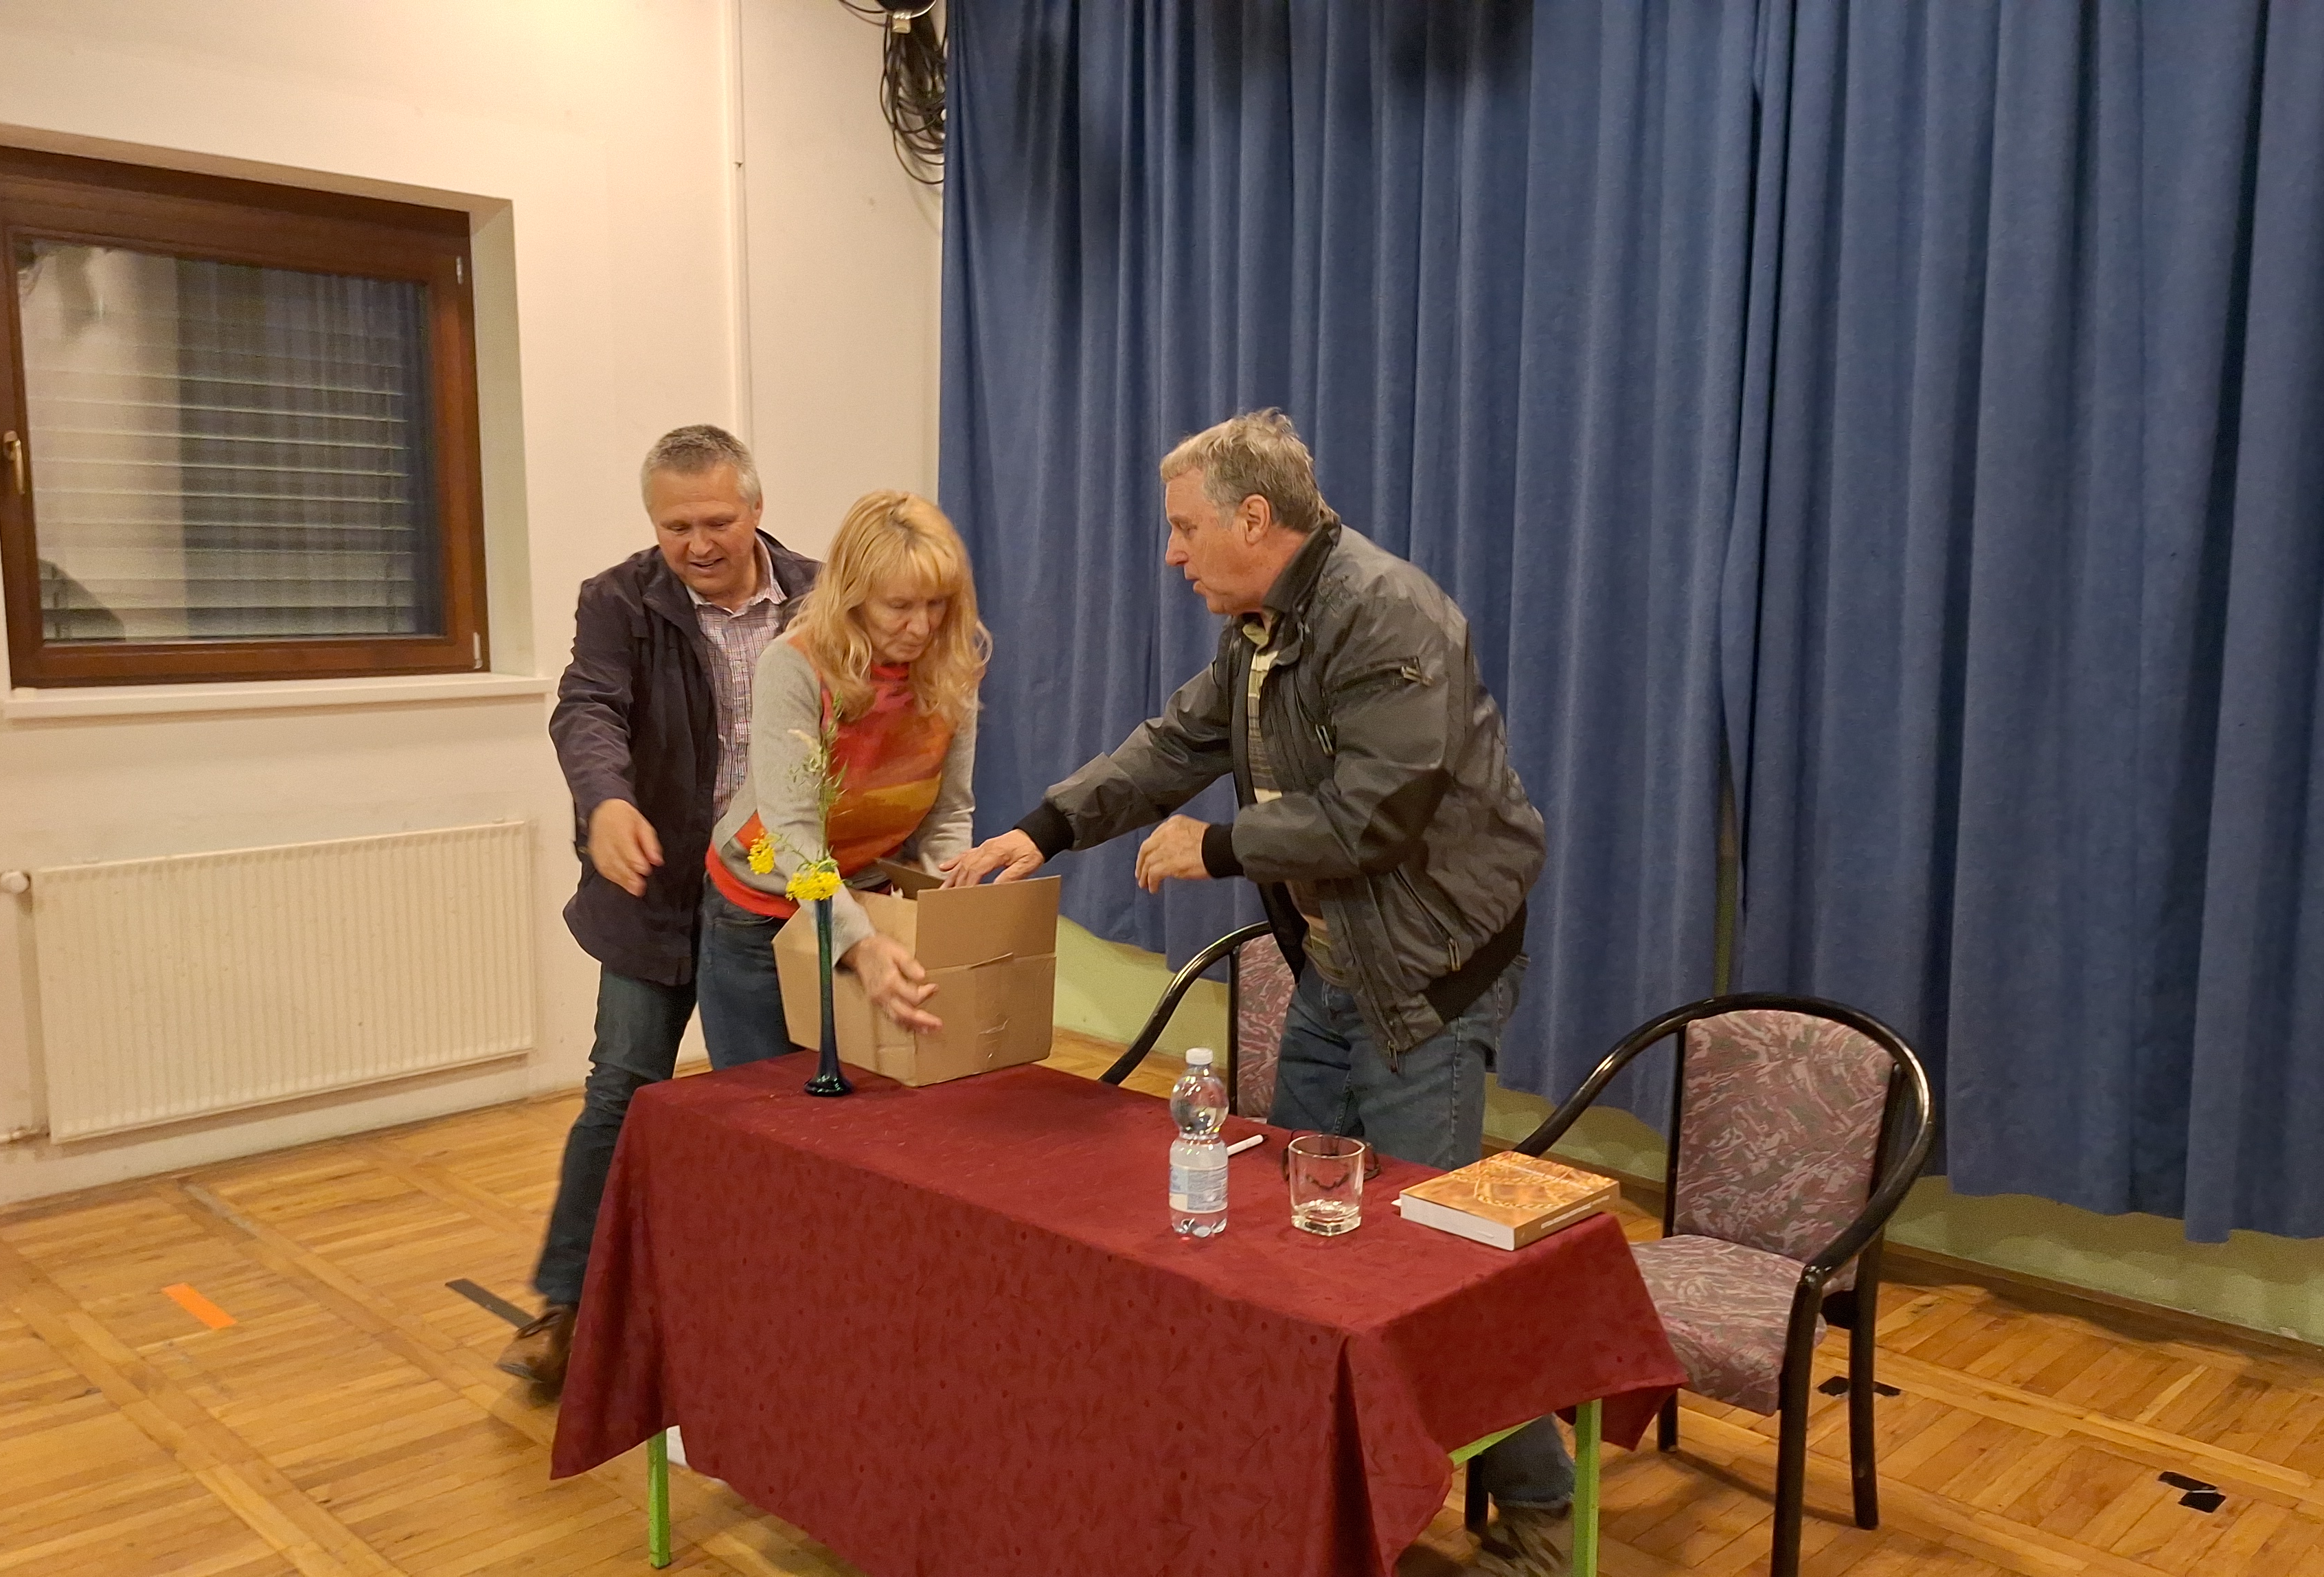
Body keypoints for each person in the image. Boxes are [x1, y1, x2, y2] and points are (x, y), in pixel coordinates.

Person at [946, 410, 1573, 1574]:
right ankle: (1313, 1488)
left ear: (1252, 518)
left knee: (1426, 1268)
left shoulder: (1388, 614)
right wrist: (1045, 829)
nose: (1172, 553)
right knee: (1297, 1244)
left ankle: (1540, 1507)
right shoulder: (1263, 629)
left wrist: (1219, 847)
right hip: (1338, 969)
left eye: (1186, 528)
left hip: (1428, 981)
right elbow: (1172, 746)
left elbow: (1378, 813)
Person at [500, 425, 821, 1392]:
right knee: (622, 1089)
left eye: (717, 520)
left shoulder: (820, 596)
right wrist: (606, 800)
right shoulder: (618, 599)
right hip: (653, 891)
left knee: (774, 1104)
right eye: (675, 526)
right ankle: (566, 1304)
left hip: (773, 902)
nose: (698, 543)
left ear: (756, 508)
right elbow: (587, 708)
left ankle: (776, 1302)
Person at [697, 490, 988, 1063]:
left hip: (866, 899)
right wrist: (858, 944)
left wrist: (942, 913)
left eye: (936, 604)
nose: (921, 626)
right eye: (899, 606)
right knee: (765, 1101)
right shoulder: (795, 664)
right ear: (854, 598)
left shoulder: (951, 671)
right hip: (761, 909)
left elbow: (949, 813)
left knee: (859, 1097)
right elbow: (791, 833)